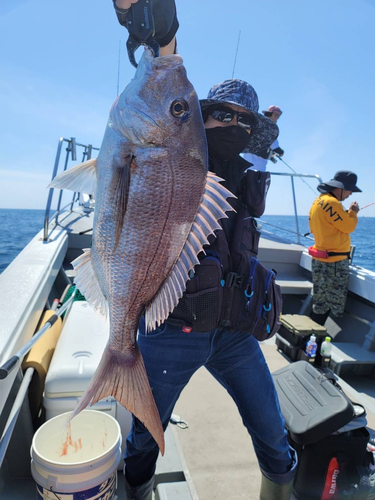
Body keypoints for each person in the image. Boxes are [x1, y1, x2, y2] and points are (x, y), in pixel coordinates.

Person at [113, 2, 297, 499]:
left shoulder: (248, 167)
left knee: (274, 436)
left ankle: (278, 487)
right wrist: (161, 36)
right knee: (144, 441)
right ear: (198, 117)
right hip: (172, 330)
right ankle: (137, 489)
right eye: (217, 115)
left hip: (235, 332)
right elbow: (170, 92)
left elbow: (254, 156)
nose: (227, 125)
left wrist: (264, 128)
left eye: (242, 120)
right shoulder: (184, 150)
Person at [309, 171, 361, 326]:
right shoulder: (333, 203)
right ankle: (313, 341)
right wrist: (352, 213)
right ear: (340, 188)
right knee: (330, 303)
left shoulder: (319, 201)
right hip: (334, 263)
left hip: (320, 258)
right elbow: (349, 226)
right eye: (350, 189)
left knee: (320, 301)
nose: (350, 194)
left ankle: (308, 339)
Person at [242, 105, 285, 171]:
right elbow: (276, 148)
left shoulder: (256, 124)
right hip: (257, 169)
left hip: (245, 167)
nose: (277, 120)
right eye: (277, 117)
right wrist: (281, 152)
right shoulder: (270, 128)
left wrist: (270, 155)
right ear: (273, 115)